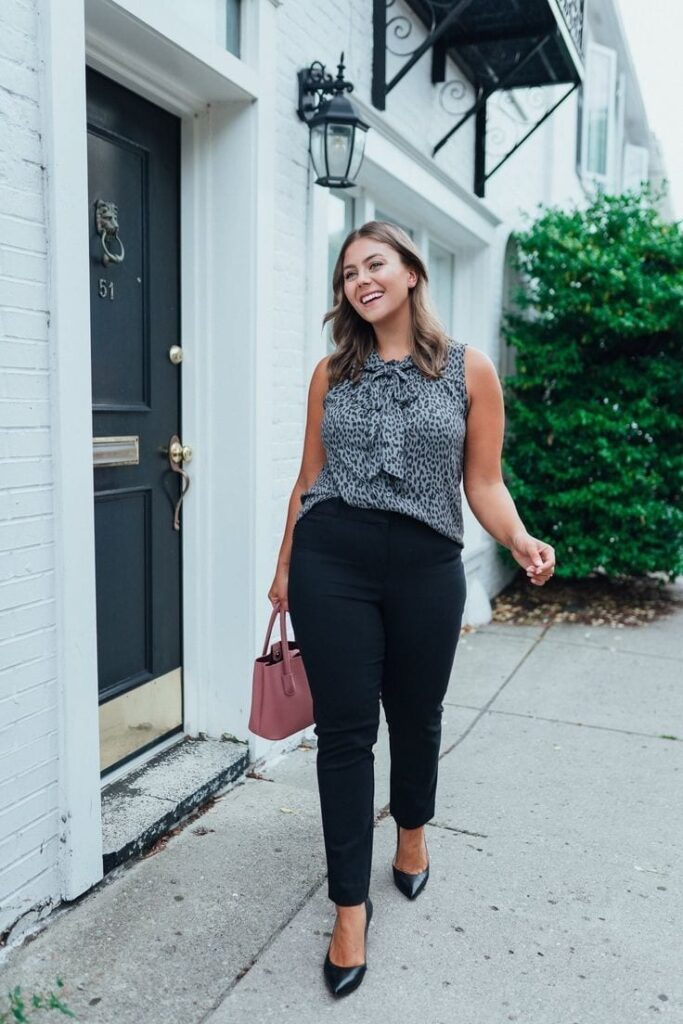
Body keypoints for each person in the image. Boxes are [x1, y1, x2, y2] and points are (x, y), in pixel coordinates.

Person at [268, 221, 556, 998]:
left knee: (418, 717)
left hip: (427, 563)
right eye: (347, 272)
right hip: (333, 557)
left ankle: (413, 836)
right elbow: (307, 478)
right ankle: (348, 910)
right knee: (345, 733)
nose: (360, 280)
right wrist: (285, 565)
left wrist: (521, 539)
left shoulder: (469, 369)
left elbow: (484, 483)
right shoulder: (331, 374)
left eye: (374, 264)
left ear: (410, 272)